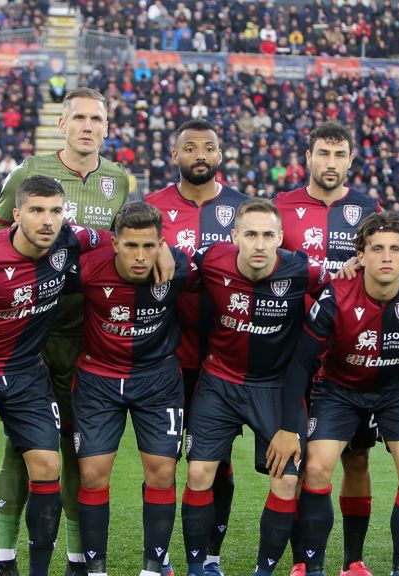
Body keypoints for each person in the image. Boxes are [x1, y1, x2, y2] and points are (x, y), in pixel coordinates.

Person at [0, 87, 132, 576]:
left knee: (73, 441)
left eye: (97, 119)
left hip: (87, 334)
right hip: (30, 333)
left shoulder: (117, 180)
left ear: (107, 128)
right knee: (21, 443)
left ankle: (73, 556)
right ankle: (6, 554)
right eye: (79, 118)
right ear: (62, 123)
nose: (88, 126)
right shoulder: (30, 172)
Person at [273, 212, 399, 576]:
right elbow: (301, 364)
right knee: (315, 468)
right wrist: (287, 427)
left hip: (398, 392)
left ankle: (397, 570)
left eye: (395, 249)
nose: (387, 257)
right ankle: (312, 568)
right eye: (377, 249)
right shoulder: (336, 294)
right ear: (360, 256)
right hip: (339, 390)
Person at [0, 176, 106, 576]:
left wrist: (163, 252)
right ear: (17, 215)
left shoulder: (70, 240)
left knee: (48, 466)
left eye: (55, 211)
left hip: (28, 375)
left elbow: (113, 241)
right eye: (36, 210)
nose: (47, 220)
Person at [179, 198, 328, 576]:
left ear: (280, 237)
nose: (259, 244)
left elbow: (346, 280)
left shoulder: (302, 269)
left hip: (276, 389)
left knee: (286, 481)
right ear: (235, 237)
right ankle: (199, 568)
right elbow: (174, 261)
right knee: (198, 474)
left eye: (267, 235)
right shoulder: (211, 258)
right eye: (250, 235)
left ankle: (264, 571)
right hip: (219, 383)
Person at [273, 121, 381, 576]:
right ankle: (303, 562)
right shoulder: (282, 206)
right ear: (309, 157)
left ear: (351, 160)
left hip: (352, 353)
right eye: (323, 154)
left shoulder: (367, 209)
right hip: (298, 351)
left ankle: (353, 561)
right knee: (301, 458)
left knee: (357, 458)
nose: (331, 163)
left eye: (339, 156)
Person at [146, 118, 248, 576]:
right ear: (175, 156)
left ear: (220, 155)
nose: (200, 154)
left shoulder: (243, 211)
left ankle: (210, 556)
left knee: (216, 461)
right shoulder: (152, 208)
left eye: (209, 147)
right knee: (164, 461)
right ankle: (162, 554)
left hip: (226, 359)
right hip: (169, 358)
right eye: (190, 148)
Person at [67, 202, 190, 576]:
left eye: (149, 246)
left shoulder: (179, 267)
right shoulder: (88, 269)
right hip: (97, 380)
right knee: (92, 474)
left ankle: (153, 569)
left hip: (158, 381)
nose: (140, 256)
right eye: (131, 246)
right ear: (115, 243)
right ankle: (96, 570)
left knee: (161, 472)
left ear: (161, 244)